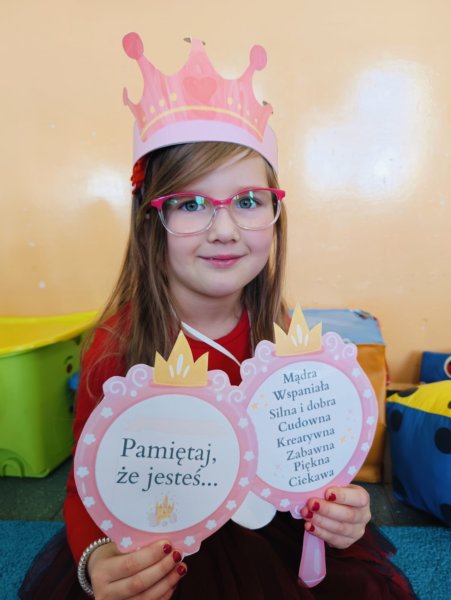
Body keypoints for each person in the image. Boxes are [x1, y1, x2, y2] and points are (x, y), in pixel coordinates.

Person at [20, 33, 416, 600]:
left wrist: (339, 510)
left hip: (274, 536)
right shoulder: (116, 349)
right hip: (165, 547)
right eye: (190, 203)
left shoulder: (284, 339)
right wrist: (95, 559)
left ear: (275, 213)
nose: (225, 230)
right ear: (150, 221)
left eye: (248, 201)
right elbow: (87, 486)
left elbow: (310, 462)